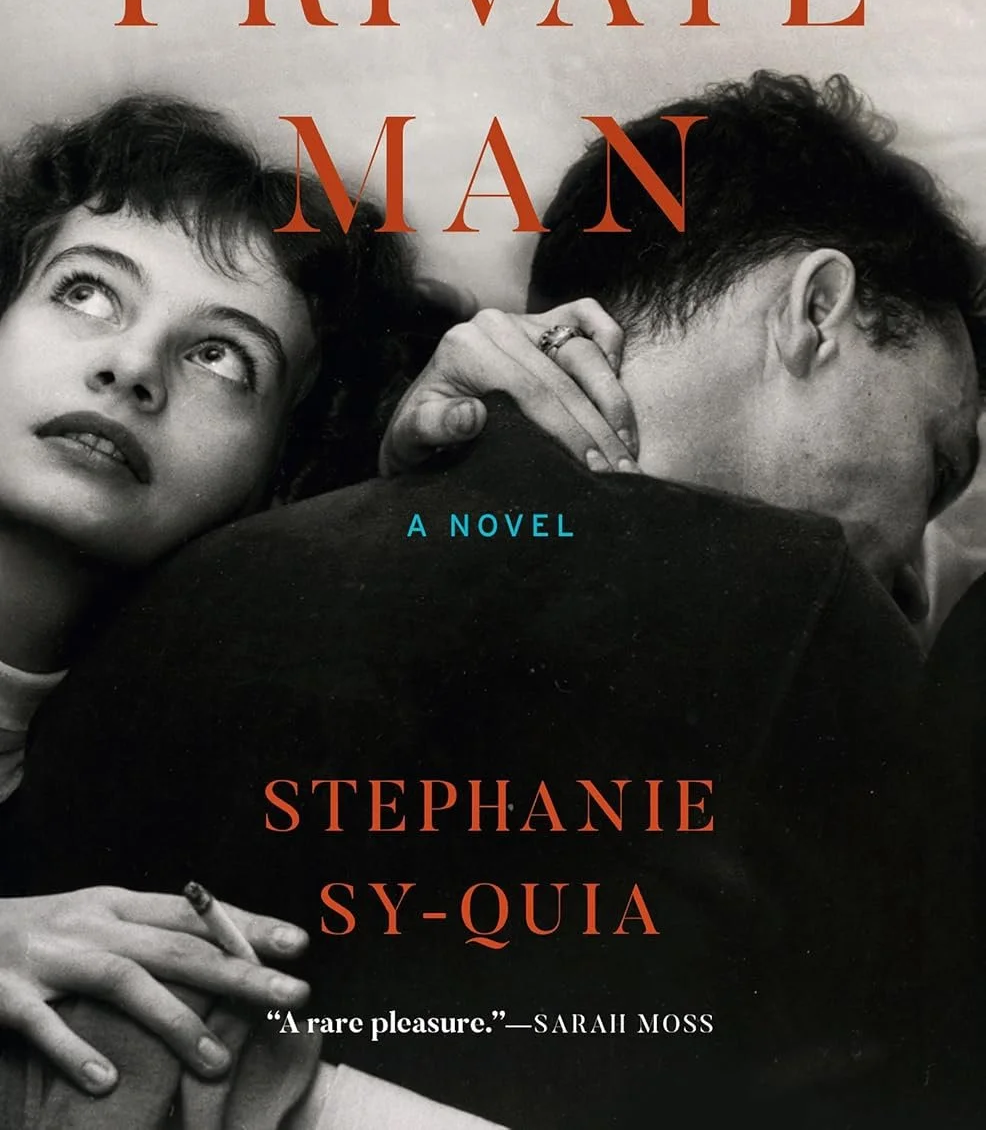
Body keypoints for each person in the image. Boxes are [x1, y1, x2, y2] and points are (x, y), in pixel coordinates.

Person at [11, 72, 985, 1126]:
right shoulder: (803, 616)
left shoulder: (159, 627)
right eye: (937, 463)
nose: (912, 565)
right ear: (817, 309)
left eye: (223, 358)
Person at [0, 91, 637, 1106]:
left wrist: (422, 471)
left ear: (274, 471)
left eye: (222, 356)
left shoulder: (154, 736)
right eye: (86, 292)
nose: (131, 367)